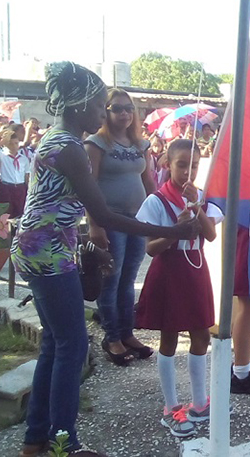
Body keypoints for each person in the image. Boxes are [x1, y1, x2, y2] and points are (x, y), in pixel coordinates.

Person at [11, 62, 199, 456]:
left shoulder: (58, 140)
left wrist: (86, 243)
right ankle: (66, 445)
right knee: (72, 346)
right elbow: (107, 214)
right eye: (99, 105)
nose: (102, 113)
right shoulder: (69, 148)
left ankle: (35, 441)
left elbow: (56, 205)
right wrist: (172, 232)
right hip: (47, 254)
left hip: (41, 247)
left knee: (55, 343)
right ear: (79, 105)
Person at [135, 139, 221, 437]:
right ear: (167, 164)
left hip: (195, 270)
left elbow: (210, 235)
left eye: (193, 165)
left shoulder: (202, 198)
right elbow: (150, 248)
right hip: (169, 272)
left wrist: (197, 208)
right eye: (181, 165)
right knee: (169, 338)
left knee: (201, 336)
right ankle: (171, 407)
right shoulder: (156, 201)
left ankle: (199, 402)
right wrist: (175, 232)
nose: (188, 171)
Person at [85, 88, 157, 366]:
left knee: (128, 280)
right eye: (117, 108)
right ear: (106, 111)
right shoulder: (96, 144)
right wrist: (95, 225)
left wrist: (161, 213)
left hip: (136, 220)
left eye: (129, 108)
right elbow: (89, 186)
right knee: (111, 280)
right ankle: (112, 337)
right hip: (111, 220)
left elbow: (149, 181)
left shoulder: (140, 143)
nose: (125, 113)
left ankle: (127, 333)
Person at [0, 127, 30, 218]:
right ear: (6, 144)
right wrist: (2, 142)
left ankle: (18, 232)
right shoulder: (1, 156)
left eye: (16, 143)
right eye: (10, 143)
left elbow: (26, 176)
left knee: (20, 213)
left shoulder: (23, 159)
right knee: (6, 214)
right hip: (6, 187)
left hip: (20, 188)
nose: (14, 146)